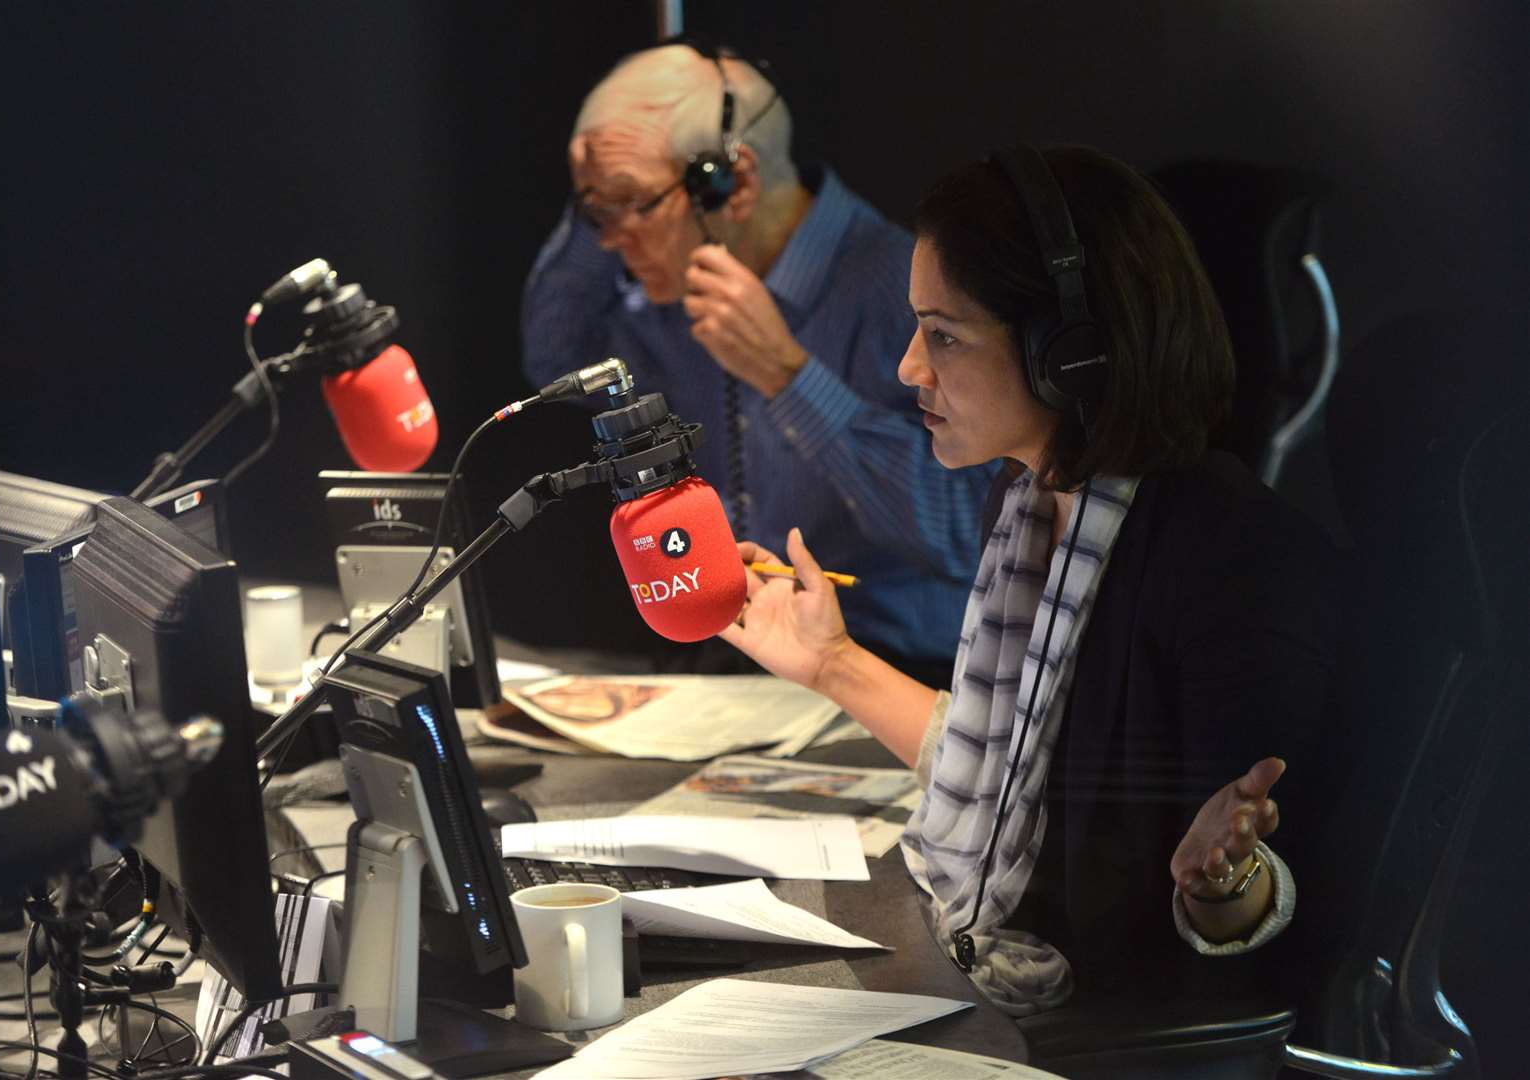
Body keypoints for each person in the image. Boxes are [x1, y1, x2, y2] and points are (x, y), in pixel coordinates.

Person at [719, 146, 1338, 1016]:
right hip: (1008, 977)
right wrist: (831, 662)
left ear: (1069, 354)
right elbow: (1012, 772)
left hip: (1114, 1030)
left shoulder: (1230, 559)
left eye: (944, 334)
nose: (910, 369)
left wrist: (1221, 882)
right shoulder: (1028, 498)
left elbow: (1265, 917)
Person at [521, 42, 994, 683]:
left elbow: (970, 532)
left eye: (627, 206)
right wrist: (596, 196)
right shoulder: (669, 291)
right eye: (596, 215)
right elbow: (553, 352)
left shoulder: (903, 289)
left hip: (902, 667)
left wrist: (789, 378)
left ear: (732, 183)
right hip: (742, 661)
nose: (609, 240)